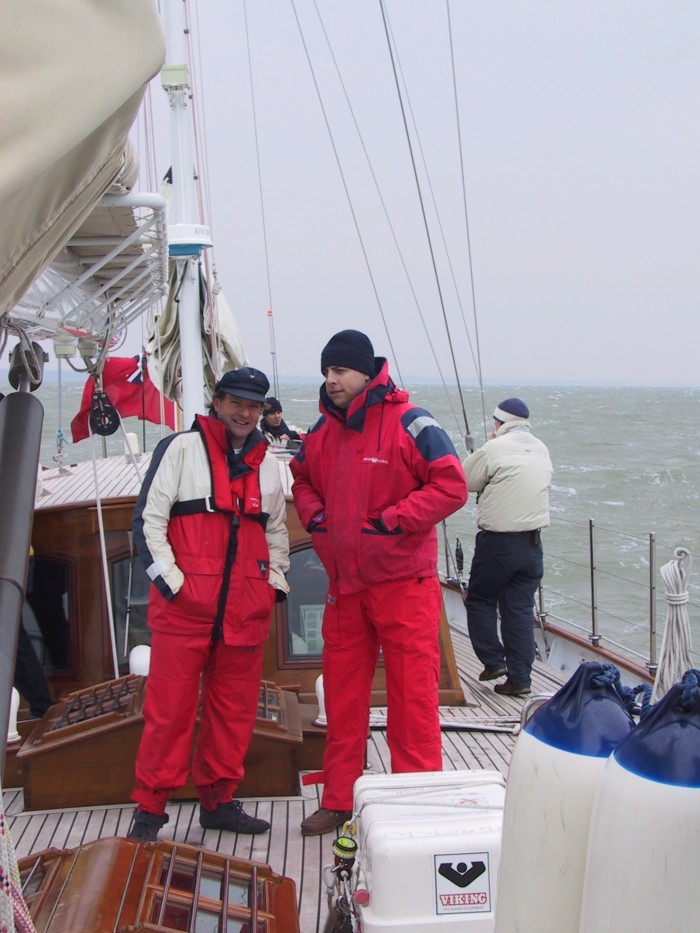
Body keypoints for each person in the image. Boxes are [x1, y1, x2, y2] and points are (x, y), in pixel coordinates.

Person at [290, 329, 468, 836]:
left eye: (340, 371)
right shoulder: (321, 435)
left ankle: (416, 798)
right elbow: (301, 479)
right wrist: (317, 519)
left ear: (366, 372)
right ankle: (340, 798)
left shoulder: (412, 423)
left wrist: (394, 520)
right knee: (343, 700)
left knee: (413, 698)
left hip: (402, 585)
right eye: (327, 371)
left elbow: (451, 485)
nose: (331, 380)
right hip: (345, 588)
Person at [127, 366, 290, 842]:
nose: (245, 412)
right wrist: (175, 585)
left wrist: (273, 585)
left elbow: (277, 530)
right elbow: (148, 524)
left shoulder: (269, 463)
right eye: (236, 402)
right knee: (168, 714)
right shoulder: (179, 449)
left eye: (254, 405)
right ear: (216, 402)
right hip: (183, 613)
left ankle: (218, 802)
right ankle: (150, 812)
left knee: (233, 714)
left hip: (246, 611)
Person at [461, 397, 553, 697]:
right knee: (520, 611)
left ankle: (493, 660)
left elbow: (465, 479)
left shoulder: (493, 448)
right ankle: (520, 679)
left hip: (498, 543)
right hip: (532, 544)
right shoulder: (541, 448)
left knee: (480, 600)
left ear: (498, 424)